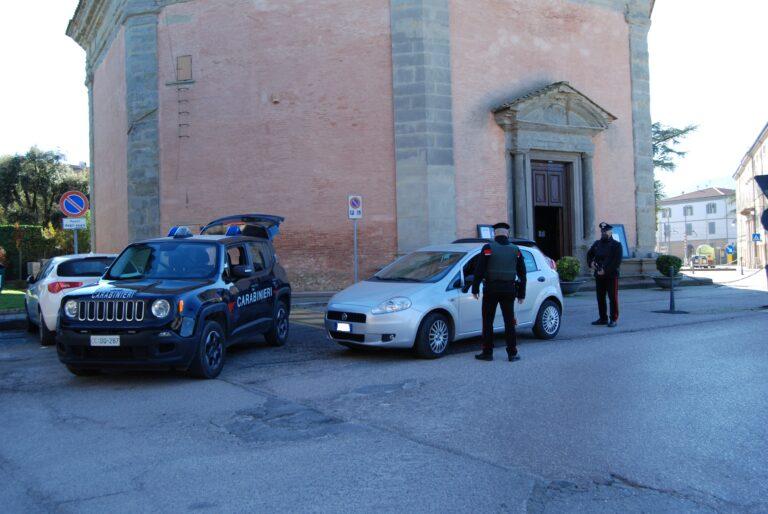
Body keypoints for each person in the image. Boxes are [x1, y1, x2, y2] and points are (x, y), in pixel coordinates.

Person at [471, 222, 527, 362]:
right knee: (509, 322)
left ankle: (487, 352)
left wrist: (475, 288)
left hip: (491, 289)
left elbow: (479, 269)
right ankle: (512, 353)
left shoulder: (488, 248)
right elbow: (522, 273)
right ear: (507, 233)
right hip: (509, 289)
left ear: (494, 234)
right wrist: (521, 293)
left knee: (488, 321)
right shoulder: (516, 250)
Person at [586, 222, 623, 327]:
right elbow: (589, 255)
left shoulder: (617, 245)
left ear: (610, 231)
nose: (604, 233)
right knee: (600, 297)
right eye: (602, 231)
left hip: (611, 276)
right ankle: (603, 318)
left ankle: (613, 319)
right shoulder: (597, 244)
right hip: (599, 275)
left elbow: (617, 262)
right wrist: (591, 263)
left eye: (606, 231)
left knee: (612, 298)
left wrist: (605, 271)